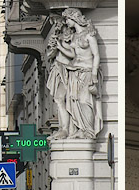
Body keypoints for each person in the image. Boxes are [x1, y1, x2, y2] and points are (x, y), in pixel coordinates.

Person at [46, 8, 103, 139]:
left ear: (74, 18)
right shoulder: (75, 37)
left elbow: (96, 55)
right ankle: (80, 129)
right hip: (74, 72)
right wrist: (59, 47)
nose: (66, 22)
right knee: (74, 101)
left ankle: (88, 130)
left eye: (67, 19)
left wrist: (94, 74)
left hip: (87, 72)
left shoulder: (89, 34)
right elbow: (73, 54)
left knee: (84, 101)